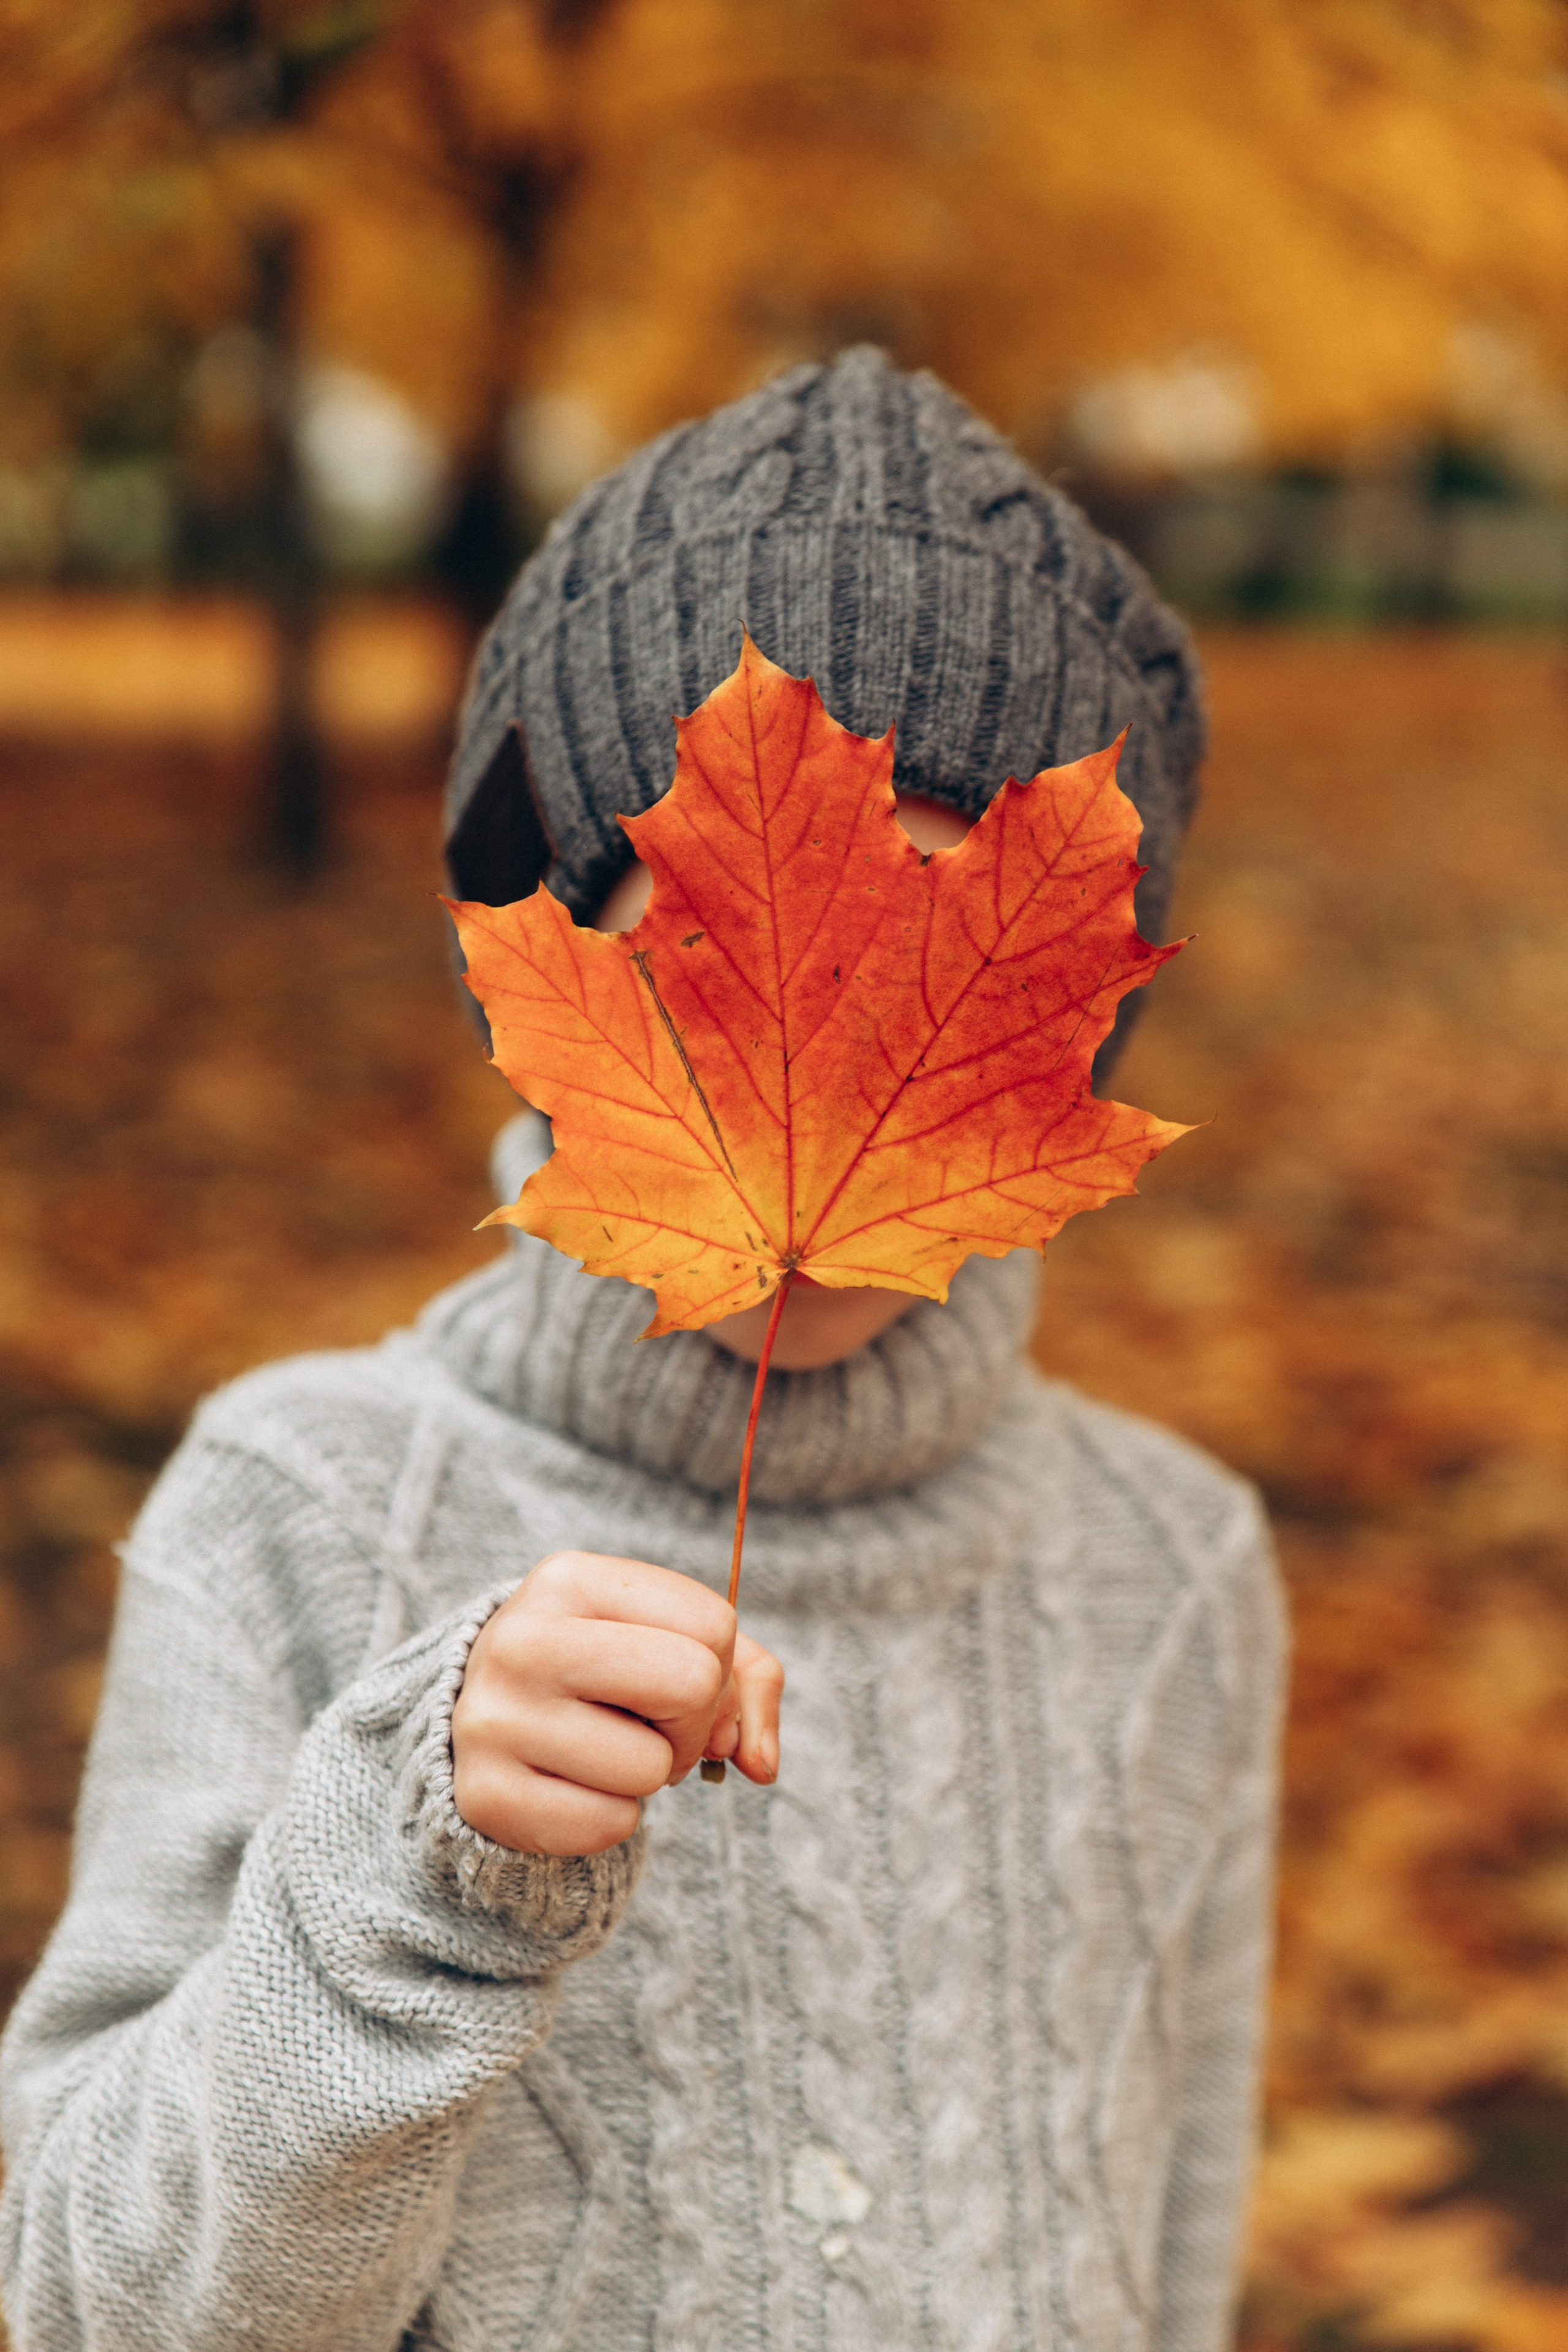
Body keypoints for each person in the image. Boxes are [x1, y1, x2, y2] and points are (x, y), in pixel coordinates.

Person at [0, 347, 1285, 2352]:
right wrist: (399, 1887)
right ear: (541, 967)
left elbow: (1180, 2236)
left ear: (1081, 1033)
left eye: (946, 972)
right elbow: (88, 2302)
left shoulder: (1180, 1568)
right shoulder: (303, 1505)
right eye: (716, 959)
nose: (837, 1053)